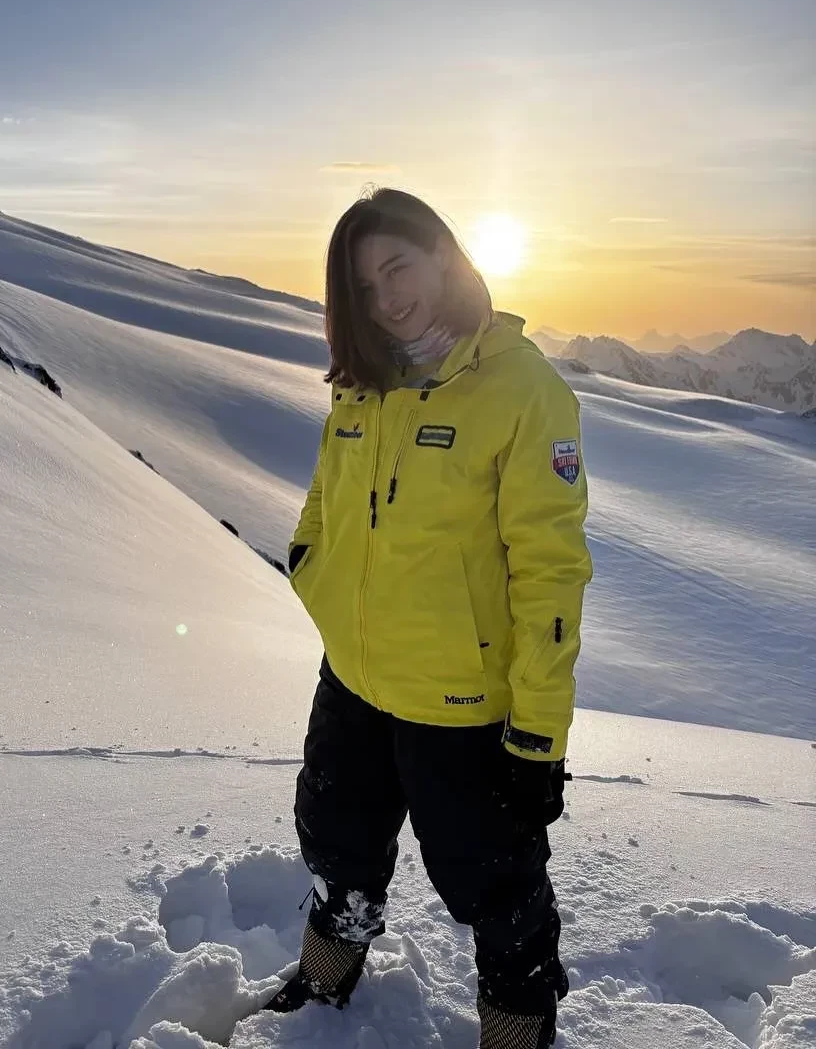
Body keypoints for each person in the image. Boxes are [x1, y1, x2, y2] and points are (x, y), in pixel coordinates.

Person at [267, 188, 592, 1049]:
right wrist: (313, 570)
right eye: (364, 286)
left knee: (497, 889)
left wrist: (538, 737)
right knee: (336, 846)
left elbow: (551, 573)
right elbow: (326, 496)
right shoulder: (363, 385)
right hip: (355, 679)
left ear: (444, 255)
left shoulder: (523, 390)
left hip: (461, 707)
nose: (386, 298)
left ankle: (514, 1035)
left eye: (397, 268)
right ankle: (324, 980)